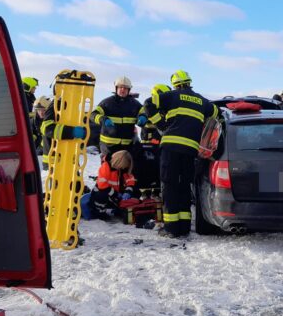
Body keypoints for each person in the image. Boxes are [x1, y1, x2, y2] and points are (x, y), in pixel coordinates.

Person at [156, 70, 218, 238]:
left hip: (171, 148)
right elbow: (215, 112)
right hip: (190, 150)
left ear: (175, 84)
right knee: (184, 186)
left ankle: (171, 227)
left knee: (169, 186)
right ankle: (183, 226)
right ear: (189, 82)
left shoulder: (171, 96)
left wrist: (161, 124)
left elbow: (149, 103)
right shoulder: (201, 100)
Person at [89, 76, 145, 160]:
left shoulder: (135, 104)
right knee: (108, 171)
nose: (122, 89)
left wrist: (143, 117)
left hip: (127, 146)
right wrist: (102, 119)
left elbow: (144, 112)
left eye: (125, 88)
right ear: (116, 88)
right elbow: (93, 115)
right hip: (108, 146)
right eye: (120, 87)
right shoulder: (107, 102)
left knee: (126, 171)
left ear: (129, 90)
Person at [136, 84, 171, 188]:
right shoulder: (147, 106)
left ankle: (157, 190)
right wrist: (142, 119)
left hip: (161, 143)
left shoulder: (166, 108)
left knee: (160, 168)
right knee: (146, 167)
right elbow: (141, 118)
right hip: (147, 143)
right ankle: (145, 191)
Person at [88, 150, 136, 220]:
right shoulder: (106, 166)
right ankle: (100, 213)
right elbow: (102, 186)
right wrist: (117, 194)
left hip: (114, 195)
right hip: (102, 193)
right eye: (123, 166)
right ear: (119, 162)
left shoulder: (122, 169)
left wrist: (128, 192)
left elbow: (130, 181)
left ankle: (119, 209)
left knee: (136, 193)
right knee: (101, 196)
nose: (123, 168)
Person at [40, 103, 87, 171]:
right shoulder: (56, 103)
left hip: (70, 161)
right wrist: (71, 131)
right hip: (54, 163)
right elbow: (46, 128)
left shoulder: (74, 102)